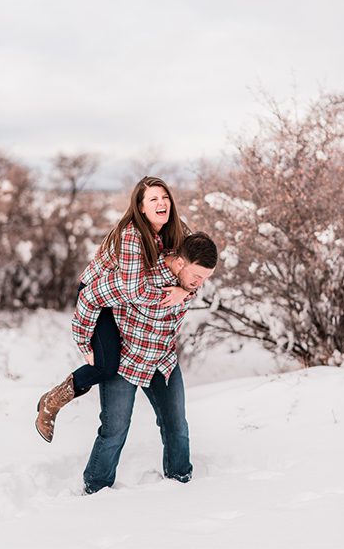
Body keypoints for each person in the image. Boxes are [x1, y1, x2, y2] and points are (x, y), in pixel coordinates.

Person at [35, 176, 189, 442]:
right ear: (141, 207)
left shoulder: (177, 230)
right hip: (99, 295)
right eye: (153, 199)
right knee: (106, 366)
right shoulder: (132, 235)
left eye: (165, 198)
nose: (161, 203)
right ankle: (52, 401)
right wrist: (171, 295)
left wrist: (187, 290)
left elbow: (194, 269)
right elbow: (134, 291)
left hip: (124, 297)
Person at [81, 231, 218, 493]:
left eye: (205, 278)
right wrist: (84, 342)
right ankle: (95, 488)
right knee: (115, 430)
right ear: (180, 263)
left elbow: (189, 286)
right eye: (197, 277)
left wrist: (185, 292)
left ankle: (181, 481)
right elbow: (90, 297)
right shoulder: (137, 278)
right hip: (126, 361)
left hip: (162, 362)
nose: (200, 284)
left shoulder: (185, 281)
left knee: (177, 425)